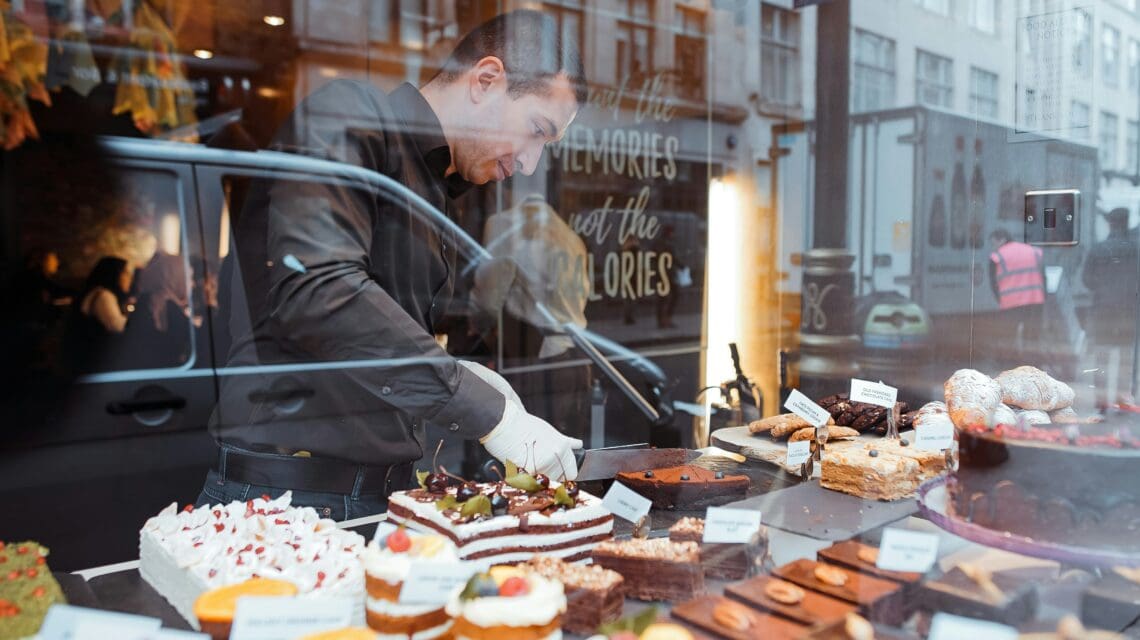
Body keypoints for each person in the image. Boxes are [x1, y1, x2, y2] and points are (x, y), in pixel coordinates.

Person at [200, 10, 586, 519]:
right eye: (537, 130)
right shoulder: (350, 115)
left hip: (374, 496)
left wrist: (458, 370)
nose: (531, 163)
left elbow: (371, 339)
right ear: (486, 80)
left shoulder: (440, 190)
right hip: (286, 495)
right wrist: (492, 416)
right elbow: (321, 290)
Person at [63, 256, 132, 372]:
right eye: (125, 273)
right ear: (114, 274)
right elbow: (116, 326)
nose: (129, 277)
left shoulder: (97, 291)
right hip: (91, 361)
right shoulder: (103, 296)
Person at [1082, 208, 1138, 347]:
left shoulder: (1098, 248)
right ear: (1126, 223)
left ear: (1110, 224)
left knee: (1103, 347)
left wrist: (1102, 288)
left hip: (1103, 304)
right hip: (1129, 307)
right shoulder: (1135, 249)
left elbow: (1086, 278)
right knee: (1126, 350)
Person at [988, 228, 1045, 350]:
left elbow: (994, 284)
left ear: (1002, 240)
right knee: (1032, 337)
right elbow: (1043, 277)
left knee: (1007, 336)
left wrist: (1000, 300)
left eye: (993, 243)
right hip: (1035, 301)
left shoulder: (997, 257)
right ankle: (1033, 363)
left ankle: (1009, 363)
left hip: (1010, 302)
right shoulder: (1034, 251)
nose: (993, 247)